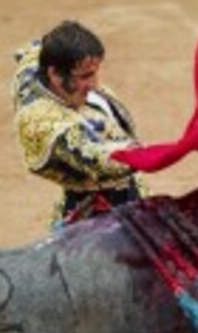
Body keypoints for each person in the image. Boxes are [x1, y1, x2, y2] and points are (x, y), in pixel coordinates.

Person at [11, 20, 146, 230]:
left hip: (122, 195)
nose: (94, 84)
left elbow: (32, 50)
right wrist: (166, 152)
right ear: (55, 75)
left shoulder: (36, 68)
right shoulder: (43, 123)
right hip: (91, 219)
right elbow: (99, 158)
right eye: (85, 76)